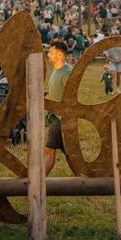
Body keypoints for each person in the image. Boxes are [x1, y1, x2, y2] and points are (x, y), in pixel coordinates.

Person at [44, 41, 70, 175]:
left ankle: (38, 181)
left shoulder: (67, 73)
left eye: (50, 52)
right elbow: (56, 92)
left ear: (60, 54)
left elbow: (70, 97)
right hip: (55, 116)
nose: (48, 55)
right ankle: (81, 180)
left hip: (62, 118)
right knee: (69, 152)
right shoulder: (56, 70)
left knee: (49, 149)